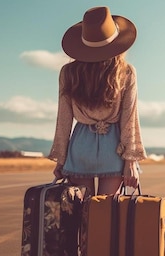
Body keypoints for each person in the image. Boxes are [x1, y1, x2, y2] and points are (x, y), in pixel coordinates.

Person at [48, 6, 146, 195]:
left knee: (81, 214)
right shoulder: (126, 71)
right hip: (114, 147)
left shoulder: (68, 73)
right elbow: (129, 118)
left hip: (80, 147)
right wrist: (130, 161)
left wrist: (61, 159)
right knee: (106, 214)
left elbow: (64, 119)